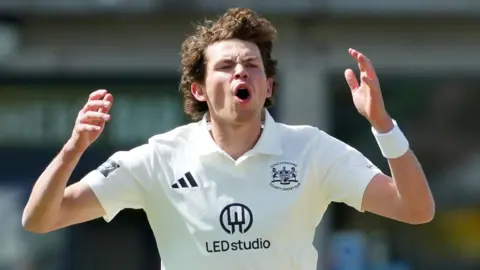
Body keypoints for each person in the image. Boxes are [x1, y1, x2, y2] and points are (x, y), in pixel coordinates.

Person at [22, 8, 435, 270]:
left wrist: (383, 125)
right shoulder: (157, 157)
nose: (240, 73)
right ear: (199, 89)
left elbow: (416, 210)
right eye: (226, 66)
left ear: (268, 87)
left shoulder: (313, 149)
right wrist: (72, 149)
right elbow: (41, 219)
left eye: (251, 65)